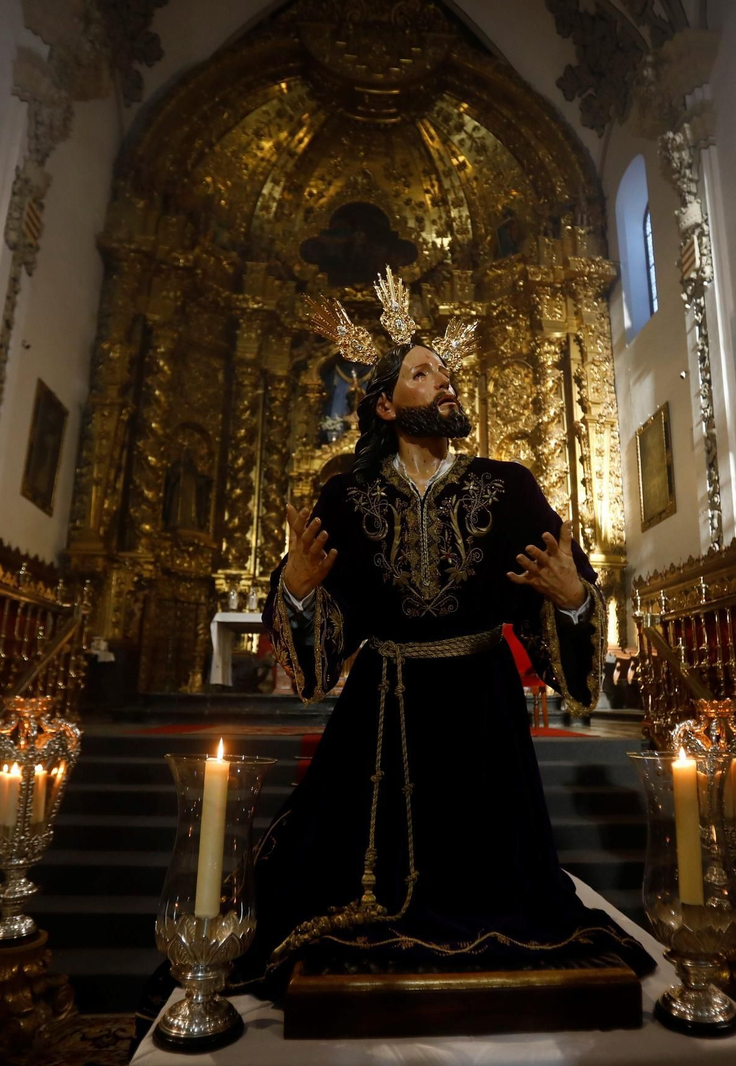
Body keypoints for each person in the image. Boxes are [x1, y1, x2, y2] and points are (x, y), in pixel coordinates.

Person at [240, 339, 655, 993]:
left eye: (446, 372)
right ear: (383, 404)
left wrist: (573, 600)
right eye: (422, 373)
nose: (444, 381)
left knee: (489, 876)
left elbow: (559, 590)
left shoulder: (508, 488)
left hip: (481, 707)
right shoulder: (346, 498)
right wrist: (295, 589)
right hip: (382, 709)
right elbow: (321, 656)